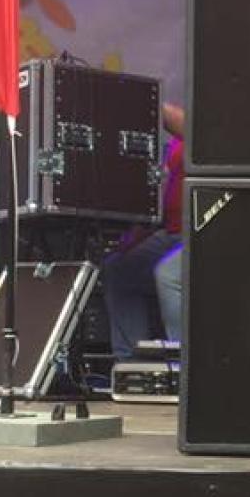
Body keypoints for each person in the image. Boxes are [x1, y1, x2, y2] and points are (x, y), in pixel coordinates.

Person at [100, 101, 184, 356]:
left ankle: (184, 365)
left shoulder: (217, 125)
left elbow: (194, 128)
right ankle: (130, 364)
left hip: (204, 229)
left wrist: (136, 95)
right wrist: (137, 235)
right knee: (119, 270)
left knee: (168, 275)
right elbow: (162, 194)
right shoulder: (174, 144)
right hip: (170, 232)